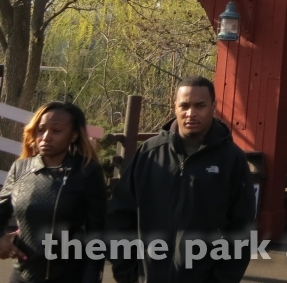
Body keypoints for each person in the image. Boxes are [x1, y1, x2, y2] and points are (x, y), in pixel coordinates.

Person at [108, 76, 255, 283]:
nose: (191, 113)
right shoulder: (149, 153)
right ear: (174, 106)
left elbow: (242, 227)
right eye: (184, 105)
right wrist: (126, 272)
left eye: (200, 106)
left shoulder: (231, 159)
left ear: (213, 107)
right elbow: (120, 214)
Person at [0, 102, 106, 283]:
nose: (46, 137)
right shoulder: (20, 169)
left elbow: (97, 232)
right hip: (22, 275)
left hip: (70, 276)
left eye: (56, 131)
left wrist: (91, 278)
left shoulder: (87, 172)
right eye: (41, 130)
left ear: (73, 135)